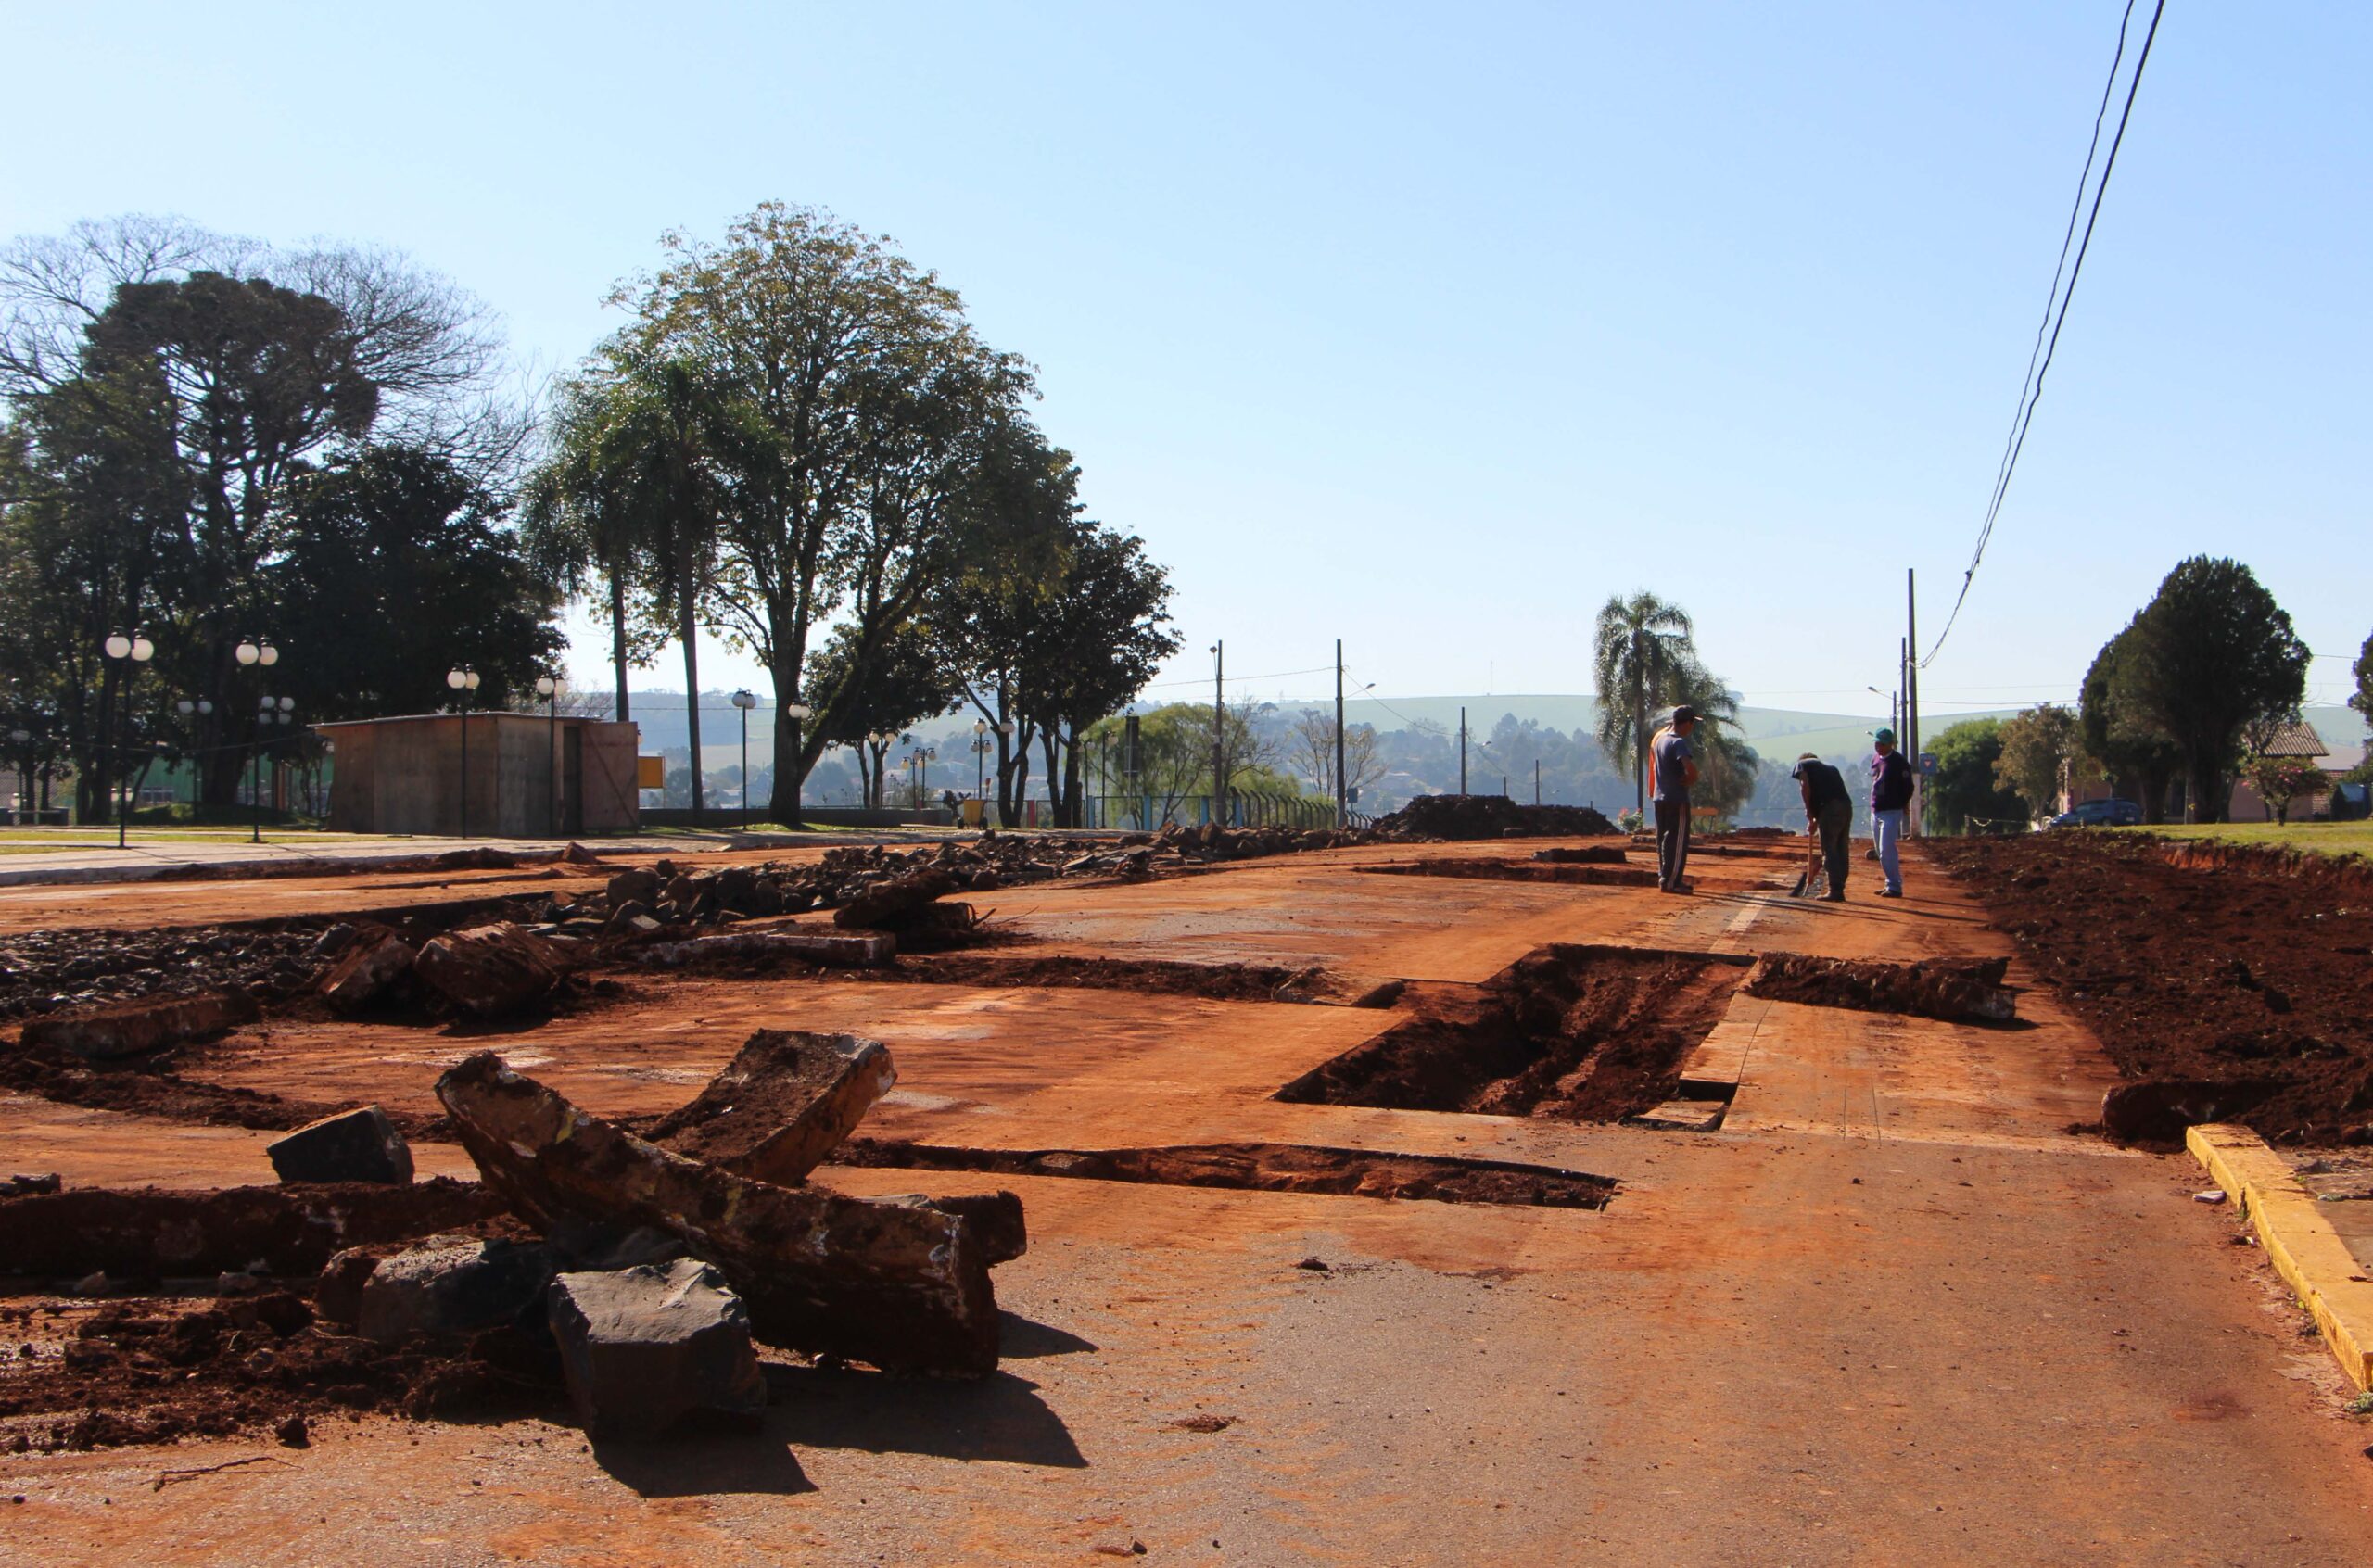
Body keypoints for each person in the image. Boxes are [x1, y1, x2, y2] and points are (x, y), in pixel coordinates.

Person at [1649, 704, 1700, 893]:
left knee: (1663, 839)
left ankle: (1664, 876)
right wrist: (1693, 777)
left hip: (1659, 797)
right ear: (1687, 723)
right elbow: (1689, 766)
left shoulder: (1659, 739)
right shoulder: (1678, 742)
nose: (1692, 727)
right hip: (1677, 798)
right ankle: (1672, 882)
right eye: (1692, 723)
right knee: (1677, 841)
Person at [1791, 752, 1852, 902]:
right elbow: (1828, 796)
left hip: (1829, 809)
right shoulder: (1831, 768)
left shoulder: (1802, 765)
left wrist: (1808, 810)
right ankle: (1839, 888)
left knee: (1829, 849)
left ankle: (1835, 890)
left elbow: (1805, 786)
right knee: (1841, 848)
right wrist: (1814, 821)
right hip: (1846, 807)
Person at [1869, 727, 1914, 898]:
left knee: (1886, 848)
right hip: (1876, 810)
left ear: (1891, 744)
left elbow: (1908, 787)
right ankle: (1890, 883)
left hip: (1892, 811)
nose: (1878, 746)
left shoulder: (1899, 762)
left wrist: (1902, 804)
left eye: (1882, 743)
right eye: (1877, 743)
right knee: (1880, 851)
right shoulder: (1875, 759)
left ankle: (1895, 887)